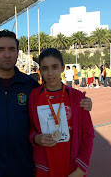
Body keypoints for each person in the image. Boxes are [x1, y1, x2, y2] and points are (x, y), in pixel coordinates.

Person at [0, 30, 93, 176]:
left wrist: (81, 101)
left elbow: (54, 95)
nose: (7, 54)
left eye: (11, 49)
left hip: (24, 166)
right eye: (0, 49)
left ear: (17, 52)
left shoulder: (29, 85)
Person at [29, 48, 94, 177]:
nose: (50, 73)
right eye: (45, 68)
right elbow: (30, 128)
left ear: (62, 68)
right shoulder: (34, 96)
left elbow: (88, 134)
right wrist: (36, 138)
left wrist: (81, 168)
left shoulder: (77, 97)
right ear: (40, 71)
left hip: (72, 167)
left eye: (54, 67)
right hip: (45, 166)